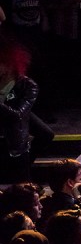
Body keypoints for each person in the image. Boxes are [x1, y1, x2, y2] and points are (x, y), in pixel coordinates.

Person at [0, 39, 43, 183]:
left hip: (13, 144)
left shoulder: (28, 86)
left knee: (20, 187)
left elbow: (18, 114)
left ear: (10, 64)